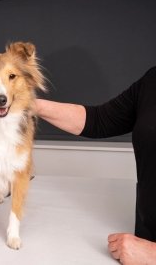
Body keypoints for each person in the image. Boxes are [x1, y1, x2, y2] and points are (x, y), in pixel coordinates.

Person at [35, 66, 156, 264]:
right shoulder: (153, 79)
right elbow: (98, 120)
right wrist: (31, 105)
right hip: (140, 243)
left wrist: (153, 255)